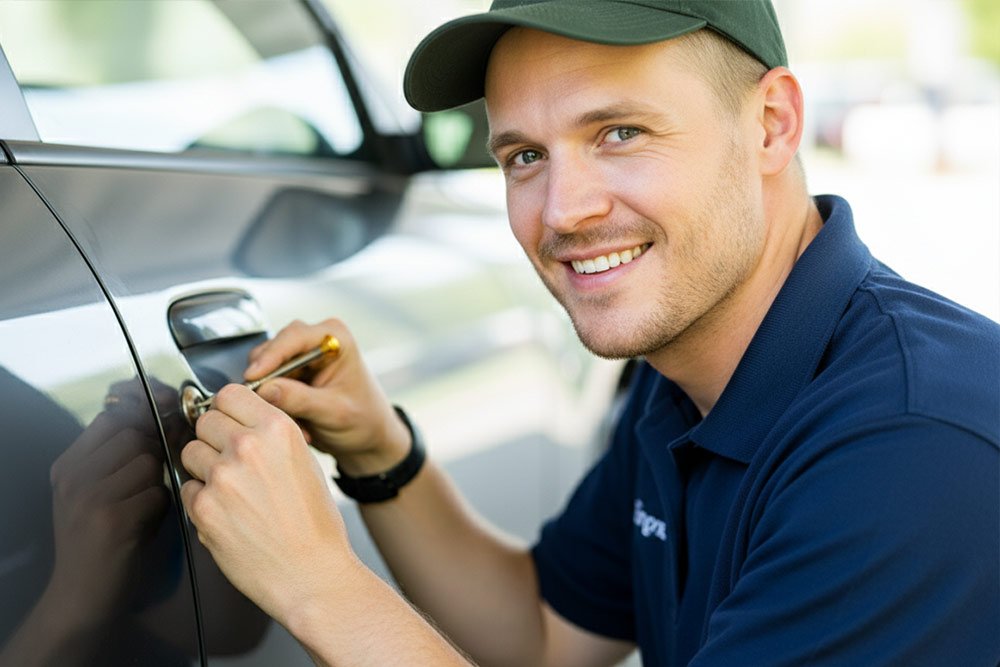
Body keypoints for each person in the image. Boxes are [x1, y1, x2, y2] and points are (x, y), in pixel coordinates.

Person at [178, 1, 1000, 665]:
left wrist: (317, 583)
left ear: (773, 124)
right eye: (525, 156)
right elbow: (545, 632)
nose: (564, 210)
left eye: (620, 132)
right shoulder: (686, 365)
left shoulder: (912, 445)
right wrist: (379, 452)